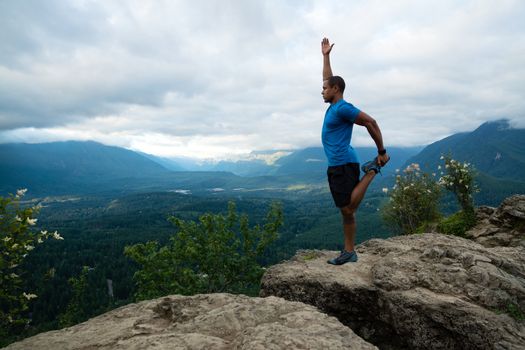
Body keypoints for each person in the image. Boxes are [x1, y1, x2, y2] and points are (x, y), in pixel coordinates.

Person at [321, 37, 390, 265]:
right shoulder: (334, 104)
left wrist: (381, 151)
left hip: (343, 163)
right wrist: (326, 56)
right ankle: (349, 251)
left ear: (336, 89)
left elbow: (371, 122)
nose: (322, 91)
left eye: (325, 88)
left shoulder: (343, 108)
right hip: (339, 163)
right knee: (346, 212)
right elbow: (328, 78)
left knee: (348, 208)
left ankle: (371, 171)